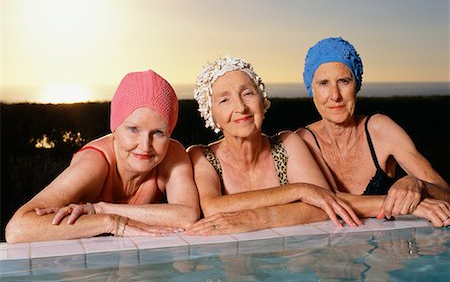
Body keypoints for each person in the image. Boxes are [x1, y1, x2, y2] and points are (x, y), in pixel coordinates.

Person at [6, 69, 200, 243]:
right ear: (115, 128)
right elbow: (17, 229)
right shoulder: (95, 162)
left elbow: (187, 216)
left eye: (158, 132)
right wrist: (110, 222)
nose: (145, 145)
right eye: (133, 129)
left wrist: (101, 209)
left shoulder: (172, 153)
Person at [185, 56, 363, 236]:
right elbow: (212, 207)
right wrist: (299, 190)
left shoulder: (287, 143)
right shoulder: (202, 156)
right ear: (211, 115)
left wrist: (256, 219)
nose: (241, 107)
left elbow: (324, 206)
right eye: (224, 100)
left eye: (247, 93)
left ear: (262, 101)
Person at [296, 37, 450, 227]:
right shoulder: (301, 142)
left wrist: (418, 184)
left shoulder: (381, 130)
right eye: (324, 83)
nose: (335, 95)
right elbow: (320, 204)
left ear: (356, 85)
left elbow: (446, 192)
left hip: (385, 250)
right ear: (311, 89)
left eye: (344, 81)